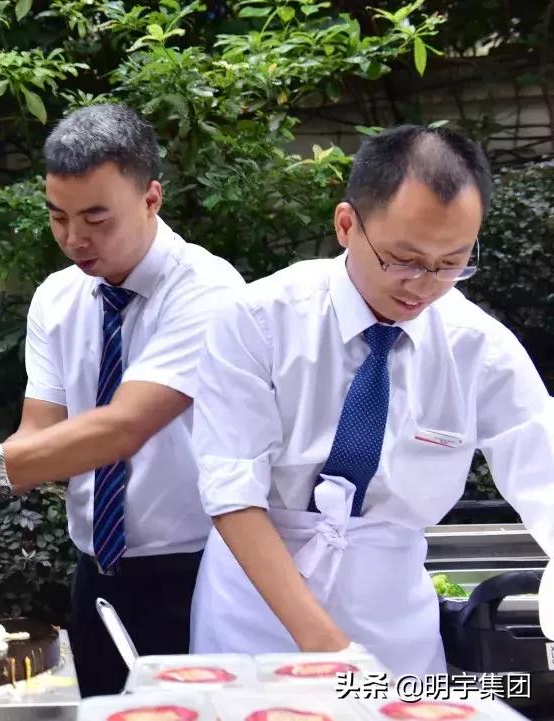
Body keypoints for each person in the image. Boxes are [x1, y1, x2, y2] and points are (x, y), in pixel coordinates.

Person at [188, 124, 554, 676]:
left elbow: (545, 469)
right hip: (255, 607)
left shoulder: (479, 348)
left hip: (392, 616)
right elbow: (231, 491)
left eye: (451, 263)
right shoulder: (258, 320)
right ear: (346, 225)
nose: (424, 285)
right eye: (403, 259)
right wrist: (326, 645)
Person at [0, 104, 245, 696]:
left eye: (96, 218)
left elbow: (122, 427)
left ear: (151, 198)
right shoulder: (58, 297)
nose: (73, 238)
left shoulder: (209, 293)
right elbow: (39, 436)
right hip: (96, 575)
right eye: (58, 216)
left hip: (197, 573)